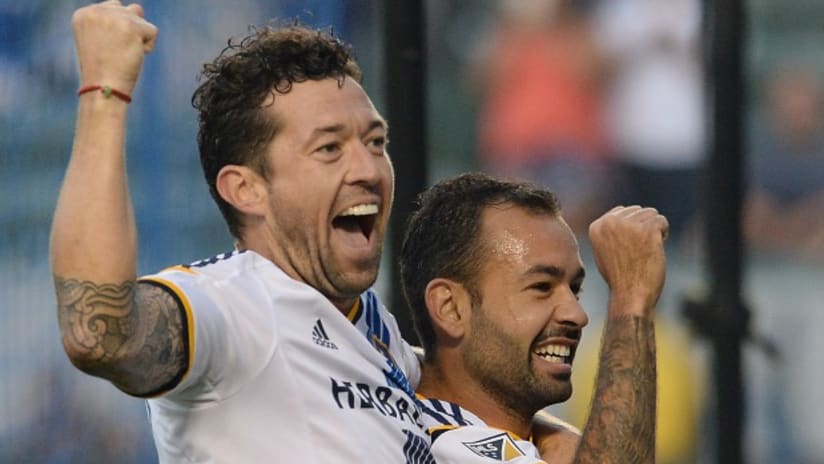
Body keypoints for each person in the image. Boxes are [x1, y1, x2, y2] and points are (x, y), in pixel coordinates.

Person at [50, 2, 433, 462]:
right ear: (246, 189)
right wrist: (102, 93)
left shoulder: (375, 329)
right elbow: (99, 334)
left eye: (375, 142)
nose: (368, 169)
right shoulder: (232, 309)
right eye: (330, 148)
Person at [399, 172, 668, 463]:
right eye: (541, 287)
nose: (576, 315)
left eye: (574, 290)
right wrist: (632, 298)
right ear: (450, 308)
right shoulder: (439, 446)